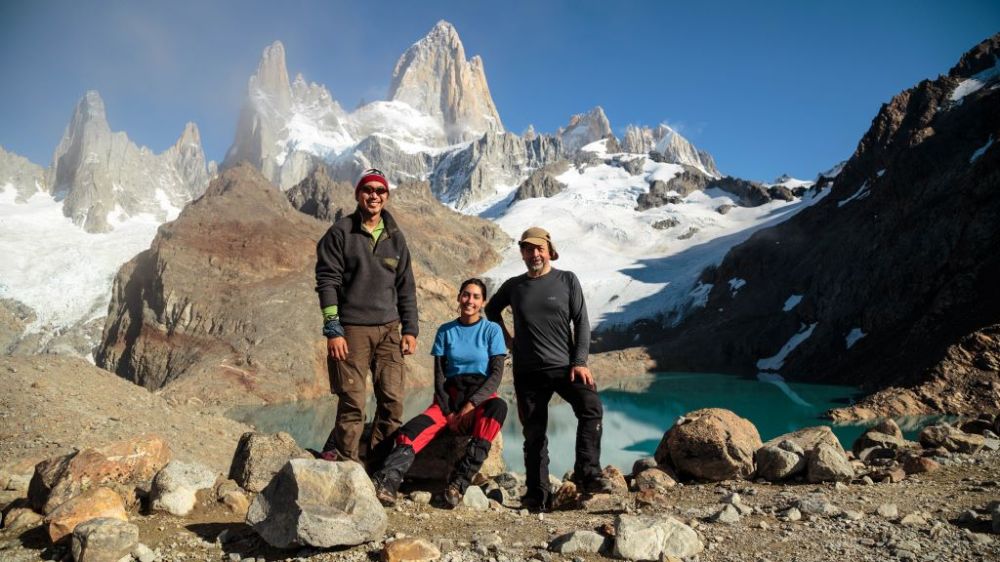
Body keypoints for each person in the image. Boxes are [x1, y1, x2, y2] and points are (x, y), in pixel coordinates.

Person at [485, 226, 612, 511]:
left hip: (565, 366)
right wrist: (506, 337)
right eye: (528, 249)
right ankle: (536, 496)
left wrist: (580, 362)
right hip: (527, 372)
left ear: (549, 249)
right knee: (534, 434)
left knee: (591, 407)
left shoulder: (566, 280)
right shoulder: (514, 286)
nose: (534, 254)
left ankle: (587, 472)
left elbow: (581, 321)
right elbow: (491, 310)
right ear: (522, 253)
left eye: (538, 248)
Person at [371, 278, 508, 507]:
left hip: (479, 401)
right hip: (449, 400)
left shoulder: (491, 330)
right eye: (466, 294)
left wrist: (471, 405)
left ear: (483, 302)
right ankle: (387, 481)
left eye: (476, 296)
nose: (470, 301)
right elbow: (440, 377)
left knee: (498, 409)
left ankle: (458, 484)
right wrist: (449, 411)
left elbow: (495, 376)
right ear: (458, 297)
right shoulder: (446, 331)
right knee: (409, 432)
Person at [314, 168, 418, 463]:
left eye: (380, 190)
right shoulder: (340, 233)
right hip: (352, 331)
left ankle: (378, 464)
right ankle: (349, 468)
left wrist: (410, 329)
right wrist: (333, 330)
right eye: (368, 189)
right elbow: (327, 283)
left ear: (386, 196)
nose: (374, 195)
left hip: (389, 331)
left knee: (393, 401)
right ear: (358, 194)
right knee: (353, 402)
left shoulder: (396, 237)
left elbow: (406, 287)